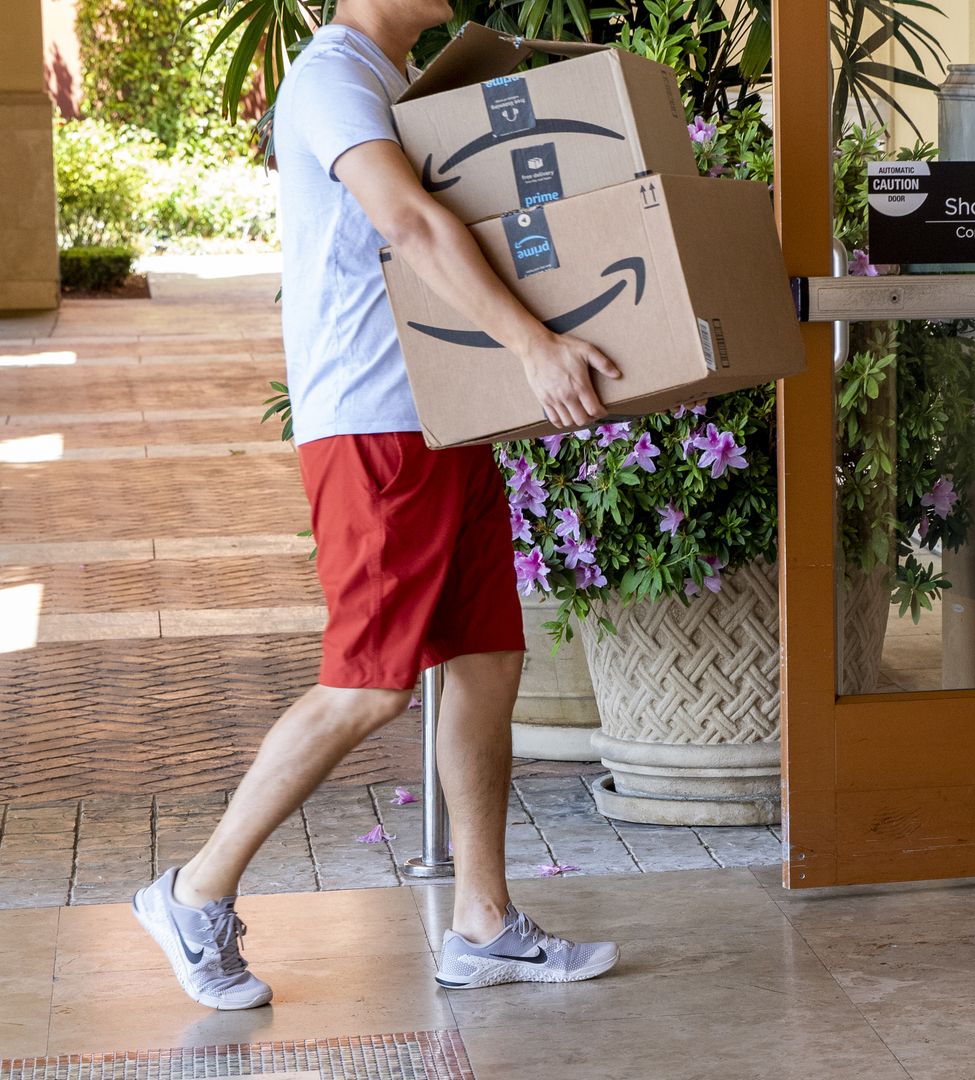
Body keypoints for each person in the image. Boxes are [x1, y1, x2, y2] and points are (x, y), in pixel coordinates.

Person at [132, 0, 622, 1009]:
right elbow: (407, 221)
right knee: (367, 684)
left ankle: (482, 925)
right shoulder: (334, 78)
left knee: (485, 661)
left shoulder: (400, 83)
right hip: (375, 428)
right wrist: (534, 347)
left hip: (444, 416)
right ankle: (193, 891)